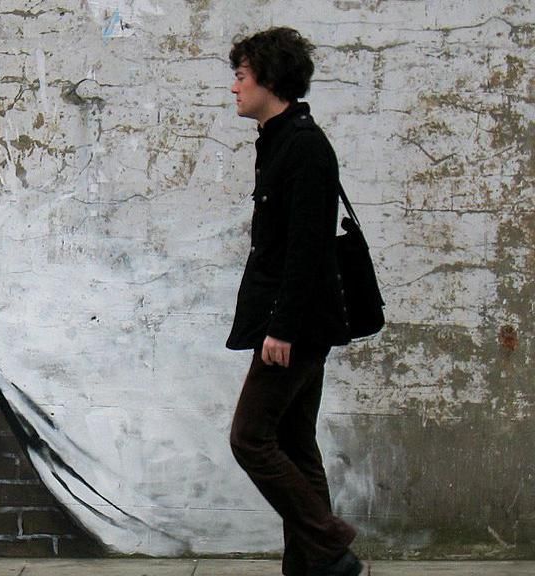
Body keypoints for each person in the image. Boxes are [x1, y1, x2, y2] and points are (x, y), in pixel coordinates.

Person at [224, 28, 363, 576]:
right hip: (298, 320)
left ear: (270, 79)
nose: (233, 88)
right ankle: (312, 568)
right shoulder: (280, 138)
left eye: (241, 76)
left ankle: (330, 544)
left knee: (251, 438)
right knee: (296, 443)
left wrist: (279, 329)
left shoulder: (303, 146)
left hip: (296, 326)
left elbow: (307, 251)